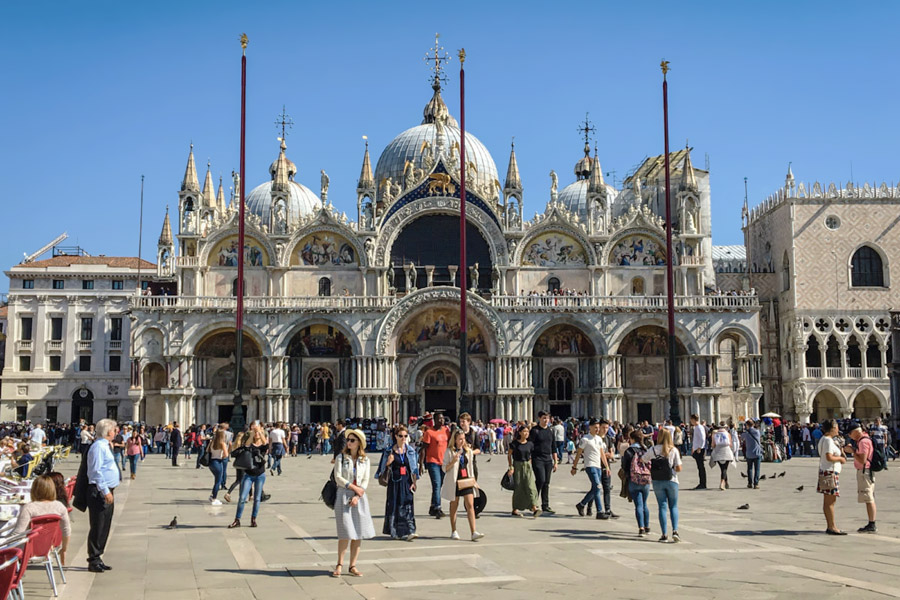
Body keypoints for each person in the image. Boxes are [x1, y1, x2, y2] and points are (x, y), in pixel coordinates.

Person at [332, 429, 374, 577]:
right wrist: (352, 487)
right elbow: (338, 477)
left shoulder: (365, 460)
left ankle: (353, 565)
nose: (348, 443)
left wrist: (358, 494)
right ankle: (339, 564)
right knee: (345, 532)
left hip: (359, 497)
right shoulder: (341, 458)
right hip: (343, 495)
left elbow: (365, 479)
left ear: (359, 443)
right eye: (348, 440)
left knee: (358, 533)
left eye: (352, 440)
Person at [13, 475, 71, 565]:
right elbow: (66, 530)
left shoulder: (29, 508)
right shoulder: (60, 506)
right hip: (48, 548)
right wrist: (64, 549)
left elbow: (18, 534)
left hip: (27, 549)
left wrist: (5, 541)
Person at [86, 418, 120, 572]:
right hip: (99, 491)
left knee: (105, 524)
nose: (116, 432)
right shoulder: (98, 447)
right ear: (107, 432)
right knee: (98, 525)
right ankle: (93, 559)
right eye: (114, 430)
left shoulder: (105, 445)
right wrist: (105, 490)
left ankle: (98, 556)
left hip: (107, 490)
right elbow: (95, 471)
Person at [375, 425, 419, 540]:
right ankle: (395, 531)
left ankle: (410, 530)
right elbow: (381, 469)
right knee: (395, 505)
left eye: (405, 436)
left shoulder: (410, 451)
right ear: (396, 436)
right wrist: (388, 463)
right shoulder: (389, 451)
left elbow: (413, 469)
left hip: (406, 481)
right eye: (400, 436)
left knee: (407, 504)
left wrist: (414, 482)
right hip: (394, 481)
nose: (403, 438)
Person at [441, 429, 484, 541]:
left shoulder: (468, 451)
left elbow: (470, 467)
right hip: (454, 481)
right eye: (460, 439)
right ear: (454, 440)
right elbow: (444, 468)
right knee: (454, 505)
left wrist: (474, 481)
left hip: (466, 480)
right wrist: (453, 461)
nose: (462, 441)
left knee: (470, 504)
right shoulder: (449, 451)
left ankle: (473, 531)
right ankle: (454, 530)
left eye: (463, 438)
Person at [642, 428, 683, 543]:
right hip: (672, 480)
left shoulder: (653, 449)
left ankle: (664, 534)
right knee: (673, 506)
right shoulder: (673, 450)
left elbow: (643, 459)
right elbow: (679, 468)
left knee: (662, 506)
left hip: (657, 481)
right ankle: (675, 531)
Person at [228, 422, 268, 528]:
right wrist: (252, 433)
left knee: (257, 498)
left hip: (260, 474)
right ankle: (237, 520)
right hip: (248, 474)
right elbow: (246, 445)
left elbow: (264, 443)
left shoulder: (263, 447)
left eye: (258, 433)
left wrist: (259, 430)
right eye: (255, 433)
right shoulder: (249, 445)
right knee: (242, 497)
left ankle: (253, 519)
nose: (256, 434)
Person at [571, 418, 609, 519]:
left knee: (595, 488)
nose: (597, 430)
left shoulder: (599, 439)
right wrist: (574, 467)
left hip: (598, 466)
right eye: (595, 427)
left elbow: (602, 454)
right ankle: (600, 511)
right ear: (590, 427)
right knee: (598, 486)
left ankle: (581, 504)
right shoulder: (585, 439)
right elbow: (578, 454)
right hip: (589, 465)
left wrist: (607, 466)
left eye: (598, 428)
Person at [816, 419, 847, 535]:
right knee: (830, 502)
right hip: (829, 472)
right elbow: (829, 457)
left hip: (827, 472)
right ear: (833, 427)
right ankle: (832, 526)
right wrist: (840, 459)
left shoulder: (825, 439)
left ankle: (831, 525)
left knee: (829, 501)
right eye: (837, 427)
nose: (838, 429)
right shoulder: (828, 440)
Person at [845, 424, 877, 533]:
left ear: (855, 432)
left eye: (850, 433)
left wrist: (853, 451)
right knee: (868, 497)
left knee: (868, 498)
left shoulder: (863, 441)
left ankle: (872, 524)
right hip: (866, 471)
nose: (850, 436)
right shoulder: (864, 439)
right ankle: (871, 523)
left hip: (865, 472)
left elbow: (863, 460)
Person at [507, 424, 540, 517]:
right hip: (517, 465)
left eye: (527, 432)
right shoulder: (514, 444)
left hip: (527, 466)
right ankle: (515, 509)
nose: (526, 433)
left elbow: (530, 456)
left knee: (530, 486)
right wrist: (511, 467)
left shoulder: (530, 444)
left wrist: (531, 465)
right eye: (524, 431)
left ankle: (534, 508)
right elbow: (509, 455)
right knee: (519, 487)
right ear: (520, 432)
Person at [622, 430, 651, 536]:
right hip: (646, 479)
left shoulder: (629, 451)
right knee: (644, 504)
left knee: (638, 505)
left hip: (634, 480)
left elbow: (624, 466)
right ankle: (647, 526)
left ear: (632, 439)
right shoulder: (645, 449)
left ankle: (641, 528)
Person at [529, 411, 558, 514]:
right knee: (540, 480)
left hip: (548, 459)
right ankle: (534, 503)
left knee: (546, 483)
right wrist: (529, 458)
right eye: (544, 418)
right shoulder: (535, 431)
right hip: (537, 458)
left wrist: (555, 461)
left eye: (548, 418)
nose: (546, 420)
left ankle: (545, 505)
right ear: (539, 418)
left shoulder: (550, 431)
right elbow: (530, 445)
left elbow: (553, 447)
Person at [421, 414, 450, 518]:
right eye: (439, 419)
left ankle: (432, 506)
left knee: (439, 485)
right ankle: (437, 507)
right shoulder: (429, 432)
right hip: (432, 462)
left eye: (443, 418)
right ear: (434, 420)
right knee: (437, 484)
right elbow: (424, 448)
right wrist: (421, 464)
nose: (441, 420)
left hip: (444, 462)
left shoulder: (446, 431)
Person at [710, 423, 735, 491]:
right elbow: (730, 444)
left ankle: (726, 482)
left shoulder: (715, 434)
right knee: (724, 469)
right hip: (726, 452)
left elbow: (713, 445)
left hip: (718, 453)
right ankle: (722, 483)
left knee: (722, 469)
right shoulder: (728, 434)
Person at [207, 430, 230, 506]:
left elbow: (207, 450)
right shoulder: (222, 443)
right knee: (218, 482)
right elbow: (226, 454)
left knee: (216, 480)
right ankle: (214, 499)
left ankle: (212, 496)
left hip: (211, 463)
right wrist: (221, 456)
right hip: (218, 462)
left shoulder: (212, 442)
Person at [741, 420, 762, 489]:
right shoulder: (757, 432)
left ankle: (750, 483)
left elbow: (741, 438)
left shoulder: (745, 433)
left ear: (747, 425)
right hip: (757, 453)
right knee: (757, 469)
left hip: (749, 453)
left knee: (749, 468)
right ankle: (756, 484)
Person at [690, 414, 707, 490]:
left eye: (691, 420)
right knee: (699, 467)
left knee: (701, 467)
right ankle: (702, 482)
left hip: (699, 449)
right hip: (697, 448)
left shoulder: (699, 427)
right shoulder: (696, 427)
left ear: (693, 419)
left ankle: (703, 483)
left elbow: (703, 438)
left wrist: (700, 447)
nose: (690, 421)